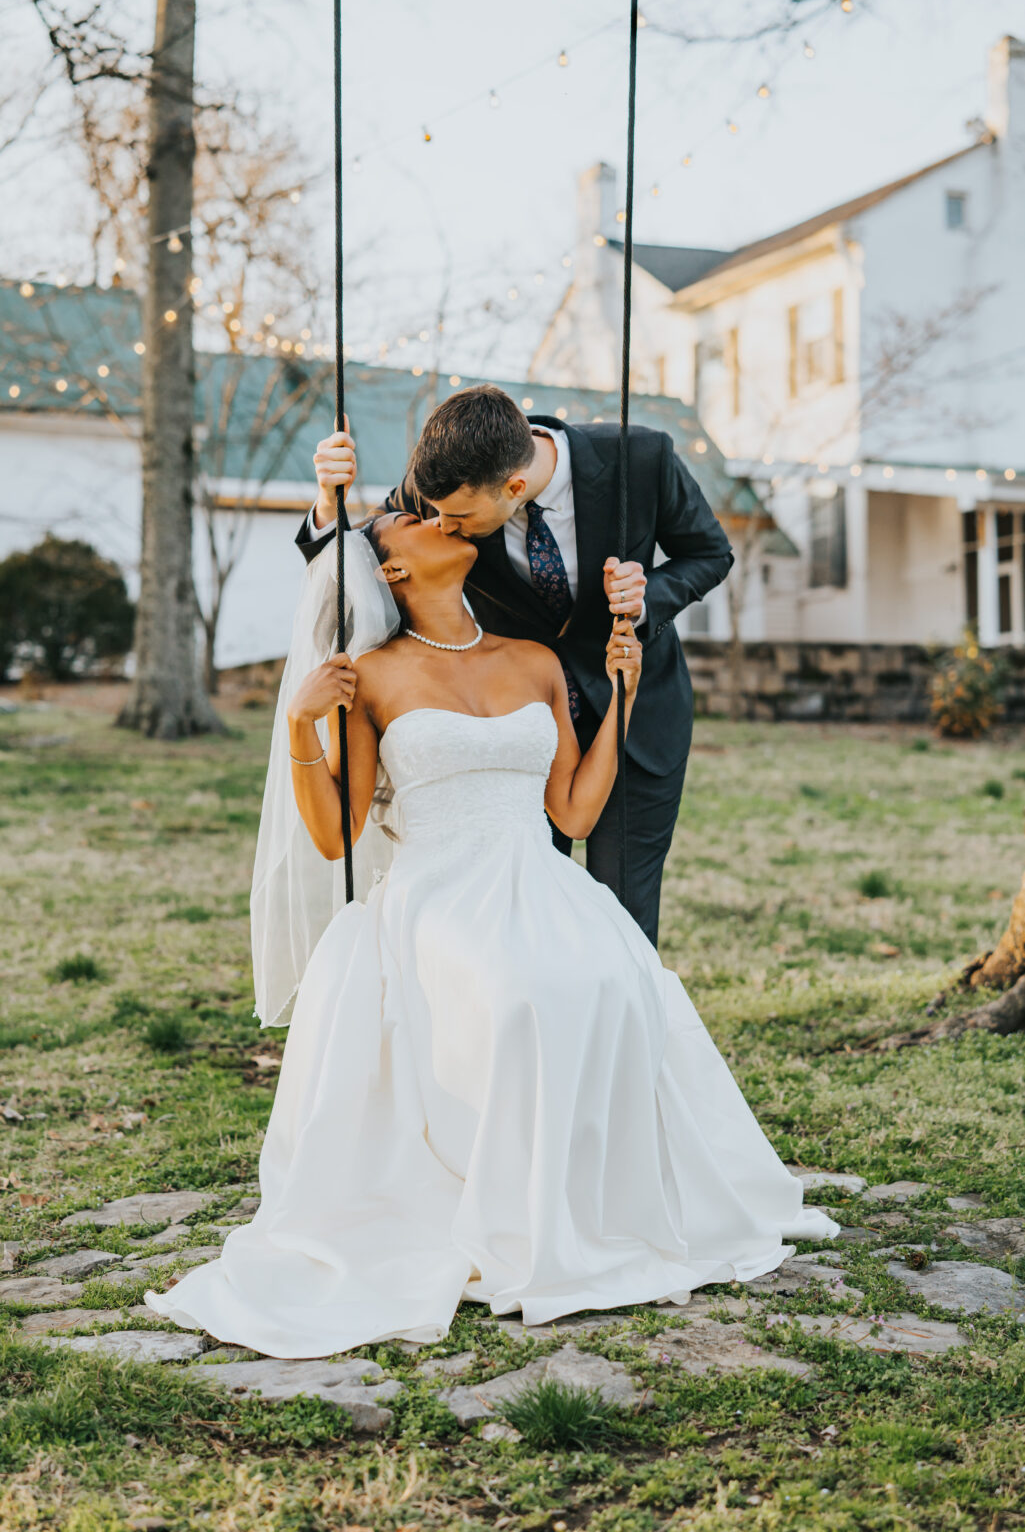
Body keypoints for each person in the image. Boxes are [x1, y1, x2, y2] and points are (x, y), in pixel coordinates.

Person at [143, 510, 837, 1360]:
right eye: (409, 520)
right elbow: (334, 835)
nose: (436, 518)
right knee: (517, 996)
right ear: (390, 573)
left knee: (618, 978)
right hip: (437, 895)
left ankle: (597, 1204)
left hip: (539, 879)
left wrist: (618, 696)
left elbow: (575, 811)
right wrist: (299, 725)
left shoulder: (533, 659)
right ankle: (515, 1215)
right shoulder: (371, 675)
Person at [295, 385, 734, 945]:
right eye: (433, 514)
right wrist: (326, 503)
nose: (442, 525)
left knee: (625, 920)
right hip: (509, 727)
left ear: (515, 487)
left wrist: (647, 597)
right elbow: (358, 563)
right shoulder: (440, 482)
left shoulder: (641, 457)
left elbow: (711, 553)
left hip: (636, 715)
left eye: (457, 517)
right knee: (521, 922)